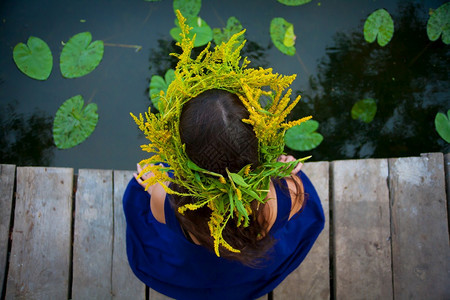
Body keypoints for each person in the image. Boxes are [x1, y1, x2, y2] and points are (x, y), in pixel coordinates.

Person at [123, 10, 324, 300]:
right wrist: (287, 168)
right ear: (259, 146)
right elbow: (298, 195)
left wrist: (150, 179)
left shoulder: (164, 198)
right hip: (253, 267)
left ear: (182, 155)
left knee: (138, 189)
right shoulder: (288, 194)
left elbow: (152, 190)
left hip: (194, 269)